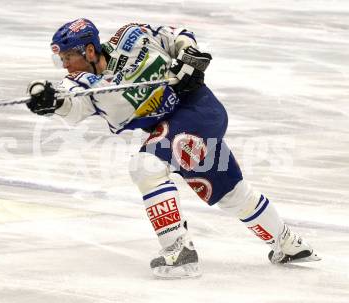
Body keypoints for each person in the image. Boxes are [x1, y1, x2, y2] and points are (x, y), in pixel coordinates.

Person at [25, 18, 320, 278]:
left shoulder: (133, 36)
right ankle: (287, 243)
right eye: (60, 60)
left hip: (200, 111)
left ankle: (178, 252)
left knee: (146, 166)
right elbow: (70, 104)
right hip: (176, 130)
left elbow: (178, 35)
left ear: (89, 51)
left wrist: (189, 58)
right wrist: (48, 101)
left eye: (67, 57)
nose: (64, 65)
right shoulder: (81, 83)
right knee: (232, 193)